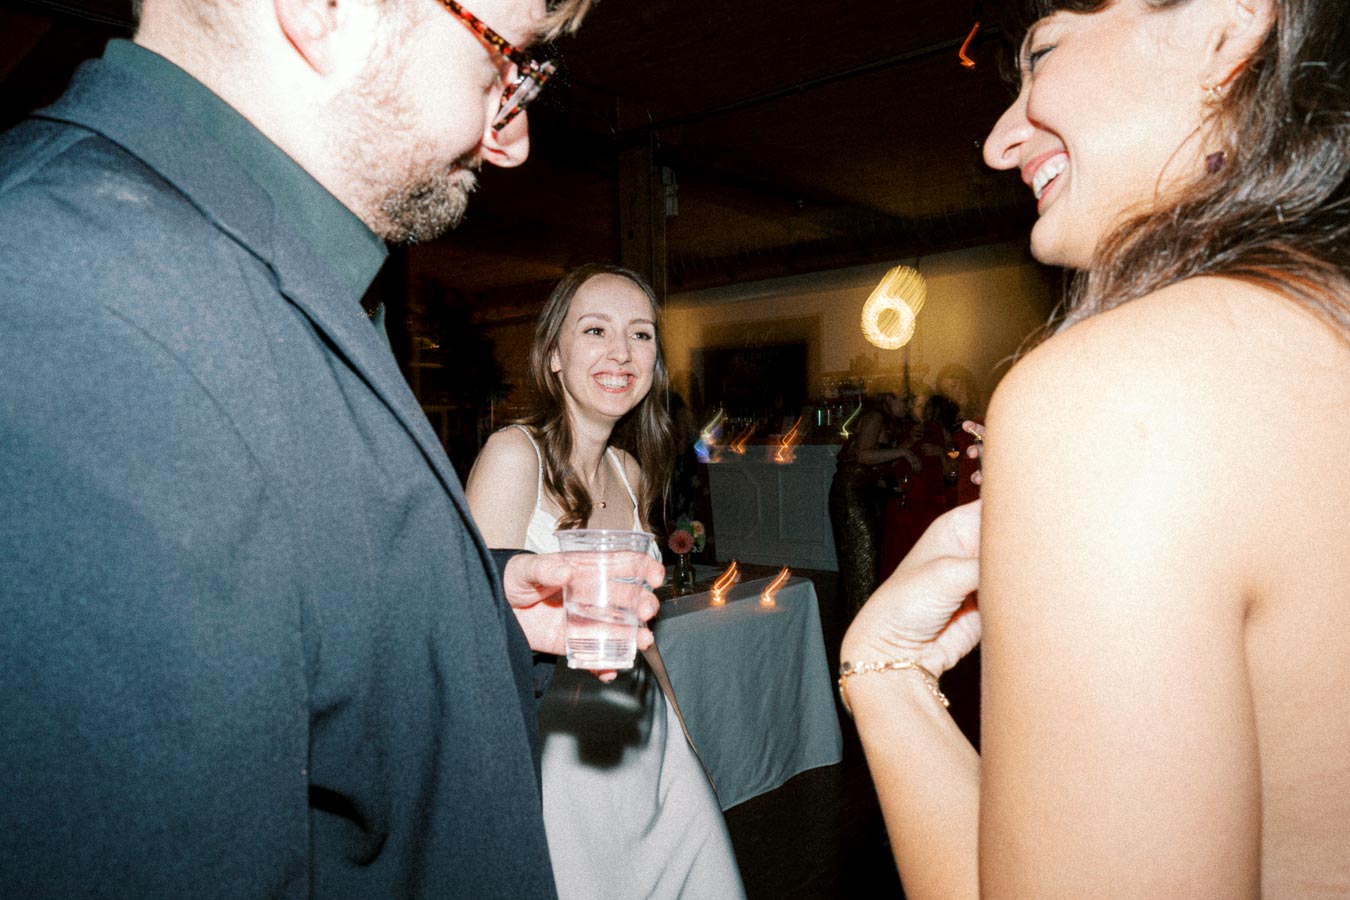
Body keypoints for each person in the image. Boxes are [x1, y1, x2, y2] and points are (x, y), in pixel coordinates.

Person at [0, 1, 665, 897]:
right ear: (325, 9)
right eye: (502, 61)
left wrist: (482, 613)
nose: (511, 141)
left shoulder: (259, 269)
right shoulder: (72, 297)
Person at [842, 0, 1348, 895]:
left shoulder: (1115, 388)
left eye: (1041, 53)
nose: (1000, 142)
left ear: (1230, 24)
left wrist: (886, 677)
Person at [465, 265, 745, 900]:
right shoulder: (514, 456)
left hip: (646, 739)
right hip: (557, 758)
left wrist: (682, 731)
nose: (622, 353)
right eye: (595, 330)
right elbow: (470, 638)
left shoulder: (628, 471)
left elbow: (640, 630)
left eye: (641, 335)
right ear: (555, 357)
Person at [829, 391, 921, 615]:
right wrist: (904, 450)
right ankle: (858, 624)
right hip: (851, 495)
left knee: (867, 561)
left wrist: (908, 443)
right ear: (888, 399)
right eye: (904, 399)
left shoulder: (890, 422)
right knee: (863, 561)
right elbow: (863, 455)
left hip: (866, 493)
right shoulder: (874, 417)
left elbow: (877, 461)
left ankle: (859, 621)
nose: (908, 405)